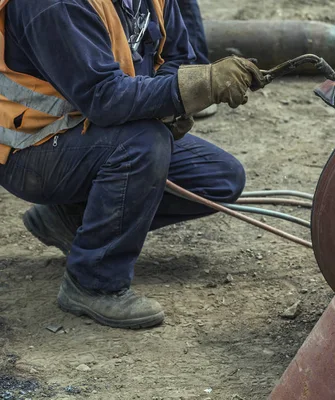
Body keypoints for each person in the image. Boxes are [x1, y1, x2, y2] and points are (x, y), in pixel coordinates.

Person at [0, 0, 265, 329]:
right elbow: (102, 96)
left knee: (220, 179)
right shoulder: (53, 5)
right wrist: (187, 91)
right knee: (143, 143)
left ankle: (72, 220)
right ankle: (93, 282)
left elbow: (177, 57)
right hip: (32, 149)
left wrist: (169, 106)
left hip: (97, 132)